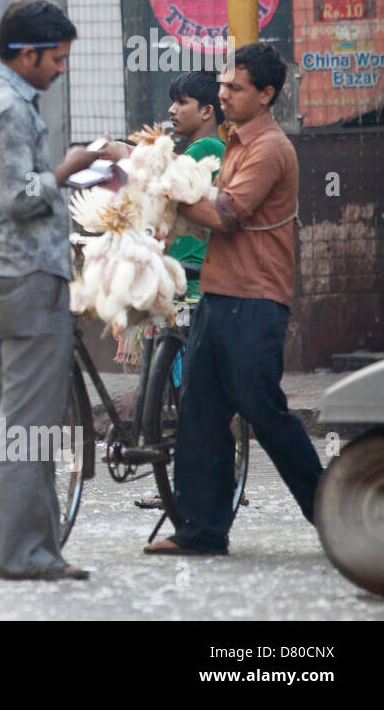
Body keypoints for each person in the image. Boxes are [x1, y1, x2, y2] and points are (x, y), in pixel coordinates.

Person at [145, 43, 322, 556]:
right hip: (220, 296)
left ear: (266, 94)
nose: (222, 94)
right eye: (222, 85)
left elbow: (226, 214)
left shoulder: (268, 149)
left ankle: (337, 510)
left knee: (263, 411)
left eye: (234, 87)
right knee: (201, 414)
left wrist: (166, 190)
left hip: (255, 300)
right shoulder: (236, 142)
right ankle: (202, 530)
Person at [0, 0, 105, 579]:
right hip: (26, 274)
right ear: (27, 53)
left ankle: (34, 549)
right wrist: (67, 168)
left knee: (26, 416)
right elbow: (20, 196)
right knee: (31, 424)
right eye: (56, 59)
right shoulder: (8, 107)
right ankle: (22, 554)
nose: (61, 69)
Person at [166, 71, 226, 299]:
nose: (172, 110)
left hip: (192, 283)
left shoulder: (206, 148)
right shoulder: (210, 147)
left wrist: (126, 154)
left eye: (182, 102)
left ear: (207, 111)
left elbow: (166, 182)